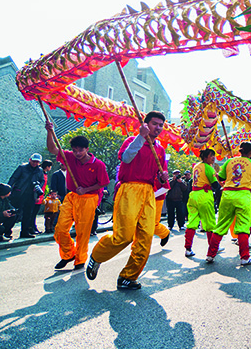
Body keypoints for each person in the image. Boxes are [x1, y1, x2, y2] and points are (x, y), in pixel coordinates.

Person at [85, 111, 168, 290]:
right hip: (129, 189)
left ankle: (128, 277)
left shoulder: (160, 150)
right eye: (154, 123)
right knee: (123, 236)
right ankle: (97, 256)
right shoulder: (132, 140)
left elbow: (160, 177)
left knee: (145, 239)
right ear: (146, 124)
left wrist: (162, 178)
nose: (158, 128)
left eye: (161, 125)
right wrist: (141, 137)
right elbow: (126, 158)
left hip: (148, 193)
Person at [45, 126, 110, 271]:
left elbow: (104, 182)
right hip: (72, 196)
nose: (77, 153)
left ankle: (80, 259)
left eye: (80, 150)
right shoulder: (69, 157)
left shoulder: (98, 164)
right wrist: (49, 131)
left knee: (82, 232)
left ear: (87, 149)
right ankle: (68, 254)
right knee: (60, 229)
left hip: (89, 198)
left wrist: (86, 189)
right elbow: (52, 149)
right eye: (75, 150)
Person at [206, 142, 251, 265]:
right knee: (243, 226)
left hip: (227, 195)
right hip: (243, 196)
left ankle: (210, 255)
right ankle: (244, 257)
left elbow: (221, 178)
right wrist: (250, 189)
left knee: (220, 225)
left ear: (240, 150)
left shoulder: (229, 161)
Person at [184, 148, 221, 257]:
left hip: (193, 195)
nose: (213, 157)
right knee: (210, 223)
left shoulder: (196, 166)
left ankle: (188, 249)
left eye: (214, 155)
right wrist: (218, 179)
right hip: (204, 196)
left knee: (192, 222)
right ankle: (212, 249)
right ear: (205, 157)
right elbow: (215, 185)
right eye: (211, 155)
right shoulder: (209, 168)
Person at [7, 153, 45, 239]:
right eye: (34, 161)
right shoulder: (22, 167)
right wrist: (8, 189)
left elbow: (42, 180)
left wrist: (38, 186)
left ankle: (25, 232)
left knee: (28, 214)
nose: (35, 163)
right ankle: (7, 231)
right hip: (19, 193)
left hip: (31, 195)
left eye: (37, 162)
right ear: (30, 160)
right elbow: (13, 178)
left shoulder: (39, 170)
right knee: (14, 213)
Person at [31, 160, 53, 233]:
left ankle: (34, 227)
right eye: (50, 166)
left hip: (41, 195)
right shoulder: (40, 174)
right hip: (37, 195)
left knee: (35, 212)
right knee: (33, 213)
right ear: (47, 167)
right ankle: (32, 227)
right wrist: (37, 196)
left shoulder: (45, 174)